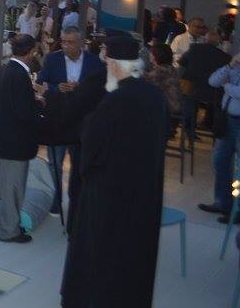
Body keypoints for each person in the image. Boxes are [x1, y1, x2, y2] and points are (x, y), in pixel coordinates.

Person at [59, 34, 168, 308]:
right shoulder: (154, 96)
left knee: (103, 258)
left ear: (117, 66)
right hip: (143, 193)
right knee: (133, 256)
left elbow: (92, 144)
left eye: (109, 64)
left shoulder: (116, 100)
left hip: (110, 195)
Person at [36, 26, 102, 217]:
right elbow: (41, 83)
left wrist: (81, 88)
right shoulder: (52, 59)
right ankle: (55, 201)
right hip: (57, 120)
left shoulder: (94, 62)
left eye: (70, 42)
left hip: (82, 123)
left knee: (79, 165)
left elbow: (99, 89)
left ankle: (77, 202)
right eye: (63, 41)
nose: (65, 46)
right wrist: (57, 88)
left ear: (81, 43)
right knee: (54, 163)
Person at [0, 33, 44, 244]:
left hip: (1, 138)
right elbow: (24, 112)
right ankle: (9, 230)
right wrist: (39, 103)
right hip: (17, 141)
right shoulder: (20, 76)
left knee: (2, 185)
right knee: (13, 187)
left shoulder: (0, 71)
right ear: (31, 52)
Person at [199, 33, 240, 222]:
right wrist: (230, 66)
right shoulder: (236, 66)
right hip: (229, 121)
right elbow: (213, 81)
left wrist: (227, 86)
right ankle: (222, 203)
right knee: (219, 161)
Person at [179, 31, 230, 132]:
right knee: (217, 99)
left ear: (205, 40)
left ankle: (188, 127)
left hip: (192, 87)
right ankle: (210, 125)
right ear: (218, 43)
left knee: (189, 98)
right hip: (212, 92)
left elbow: (182, 63)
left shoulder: (194, 48)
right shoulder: (225, 57)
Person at [145, 43, 182, 120]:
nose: (149, 54)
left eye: (151, 53)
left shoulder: (161, 71)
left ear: (156, 55)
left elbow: (145, 83)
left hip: (168, 110)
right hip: (173, 107)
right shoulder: (169, 68)